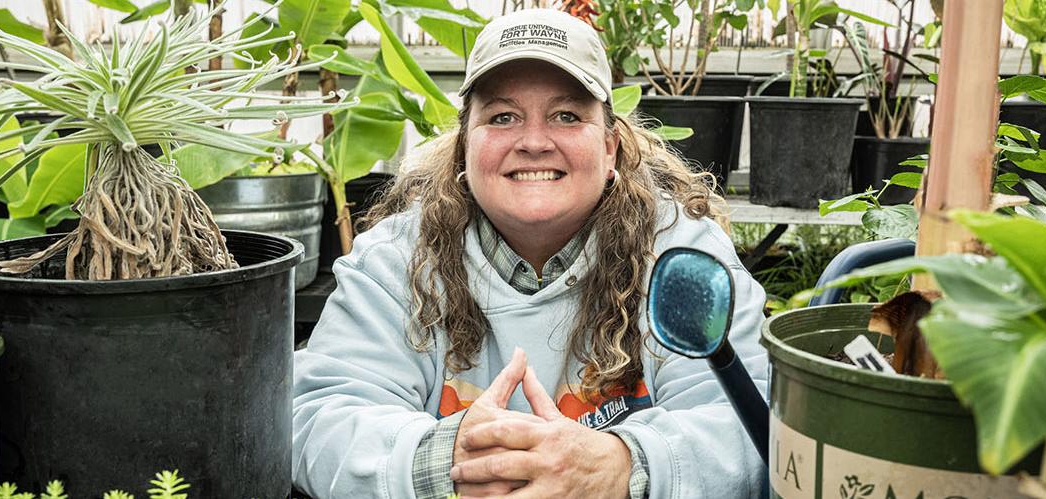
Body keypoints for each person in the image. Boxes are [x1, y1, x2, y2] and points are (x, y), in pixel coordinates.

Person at [291, 8, 769, 498]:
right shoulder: (396, 260)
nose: (535, 142)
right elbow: (316, 416)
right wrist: (446, 461)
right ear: (464, 149)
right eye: (503, 117)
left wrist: (622, 466)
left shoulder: (680, 256)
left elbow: (753, 422)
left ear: (610, 149)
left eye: (566, 115)